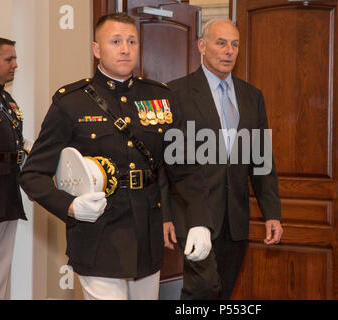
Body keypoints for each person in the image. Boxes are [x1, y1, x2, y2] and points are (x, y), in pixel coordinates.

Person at [19, 13, 209, 300]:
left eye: (132, 41)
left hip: (146, 237)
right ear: (97, 49)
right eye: (116, 41)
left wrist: (200, 221)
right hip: (97, 236)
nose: (125, 49)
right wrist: (70, 206)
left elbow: (186, 168)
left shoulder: (161, 98)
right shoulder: (72, 101)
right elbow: (32, 174)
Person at [164, 19, 283, 300]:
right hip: (193, 214)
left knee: (222, 292)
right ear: (202, 46)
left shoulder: (252, 96)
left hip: (235, 218)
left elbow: (262, 159)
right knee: (202, 288)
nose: (229, 51)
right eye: (221, 43)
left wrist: (272, 213)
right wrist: (165, 216)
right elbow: (164, 161)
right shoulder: (175, 93)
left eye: (235, 44)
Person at [0, 37, 26, 299]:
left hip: (8, 190)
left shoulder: (6, 99)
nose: (15, 64)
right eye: (8, 59)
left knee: (1, 267)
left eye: (15, 58)